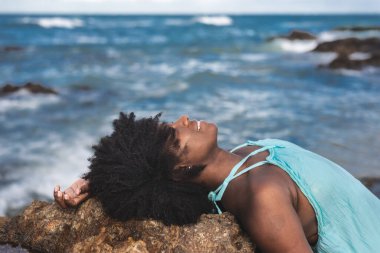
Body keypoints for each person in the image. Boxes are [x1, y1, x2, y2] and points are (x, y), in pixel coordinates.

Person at [54, 112, 380, 253]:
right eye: (173, 134)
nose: (183, 120)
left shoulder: (241, 156)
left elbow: (143, 175)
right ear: (180, 170)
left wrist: (95, 180)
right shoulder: (261, 198)